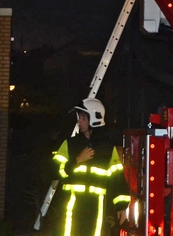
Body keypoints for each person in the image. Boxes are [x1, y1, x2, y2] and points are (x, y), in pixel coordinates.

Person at [50, 98, 130, 236]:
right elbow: (53, 171)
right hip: (71, 205)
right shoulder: (70, 144)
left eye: (82, 118)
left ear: (94, 119)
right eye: (79, 117)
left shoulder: (107, 148)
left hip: (97, 207)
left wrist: (121, 207)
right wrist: (76, 161)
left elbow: (118, 178)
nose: (78, 121)